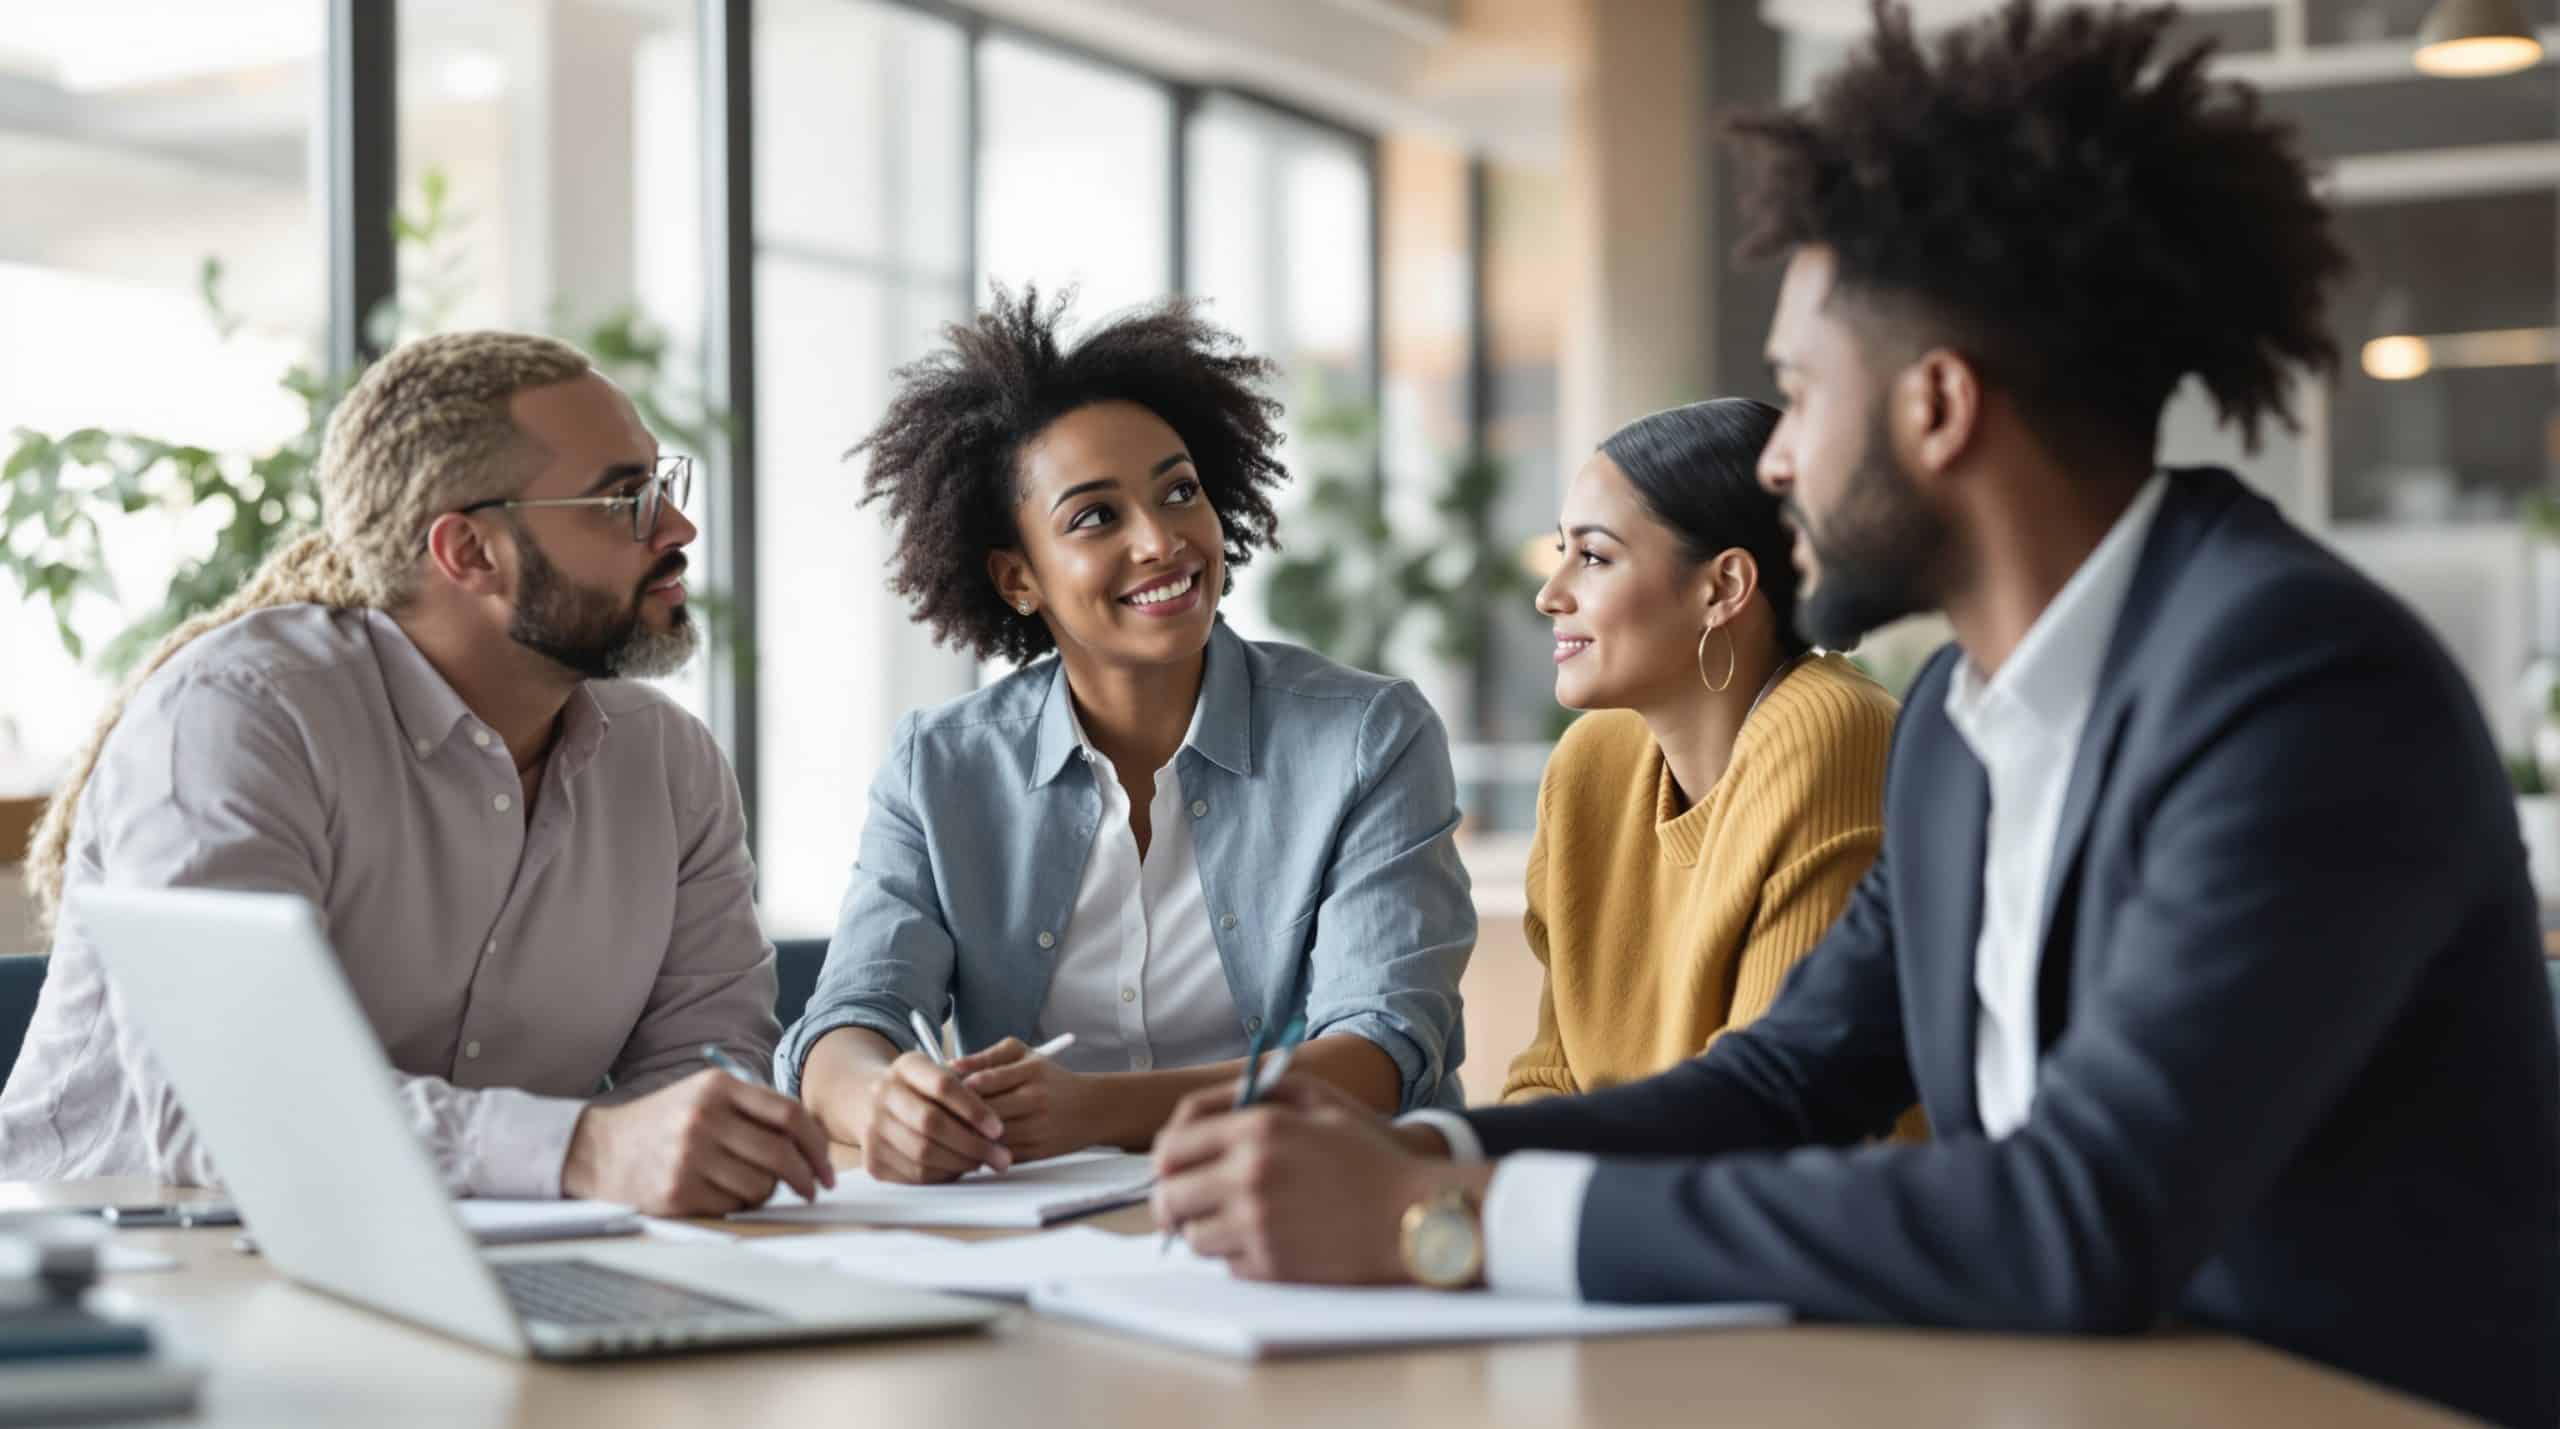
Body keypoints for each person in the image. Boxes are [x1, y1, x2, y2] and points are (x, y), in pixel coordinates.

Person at [1145, 5, 2560, 1425]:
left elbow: (2079, 1214)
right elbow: (1777, 1082)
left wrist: (1438, 1223)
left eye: (1803, 391)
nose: (1774, 453)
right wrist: (1414, 1144)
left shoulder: (2297, 691)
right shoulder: (1958, 713)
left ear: (1938, 407)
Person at [1, 331, 833, 1217]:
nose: (677, 528)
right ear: (469, 552)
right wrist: (584, 1149)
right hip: (121, 1277)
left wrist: (700, 1137)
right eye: (621, 498)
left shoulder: (670, 762)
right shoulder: (236, 717)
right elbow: (233, 1108)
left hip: (492, 1262)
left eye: (661, 484)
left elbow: (708, 1056)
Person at [780, 288, 1473, 1185]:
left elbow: (1381, 1052)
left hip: (1320, 1208)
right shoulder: (940, 767)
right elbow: (849, 1019)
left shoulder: (1366, 738)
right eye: (1096, 516)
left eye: (1179, 491)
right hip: (1041, 1232)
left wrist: (1091, 1109)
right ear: (1018, 577)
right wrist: (885, 1102)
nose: (1163, 540)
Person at [1505, 398, 1900, 1104]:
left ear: (1723, 587)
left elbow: (1763, 1118)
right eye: (1561, 550)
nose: (1549, 594)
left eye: (1592, 556)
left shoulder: (1835, 730)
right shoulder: (1589, 765)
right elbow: (1548, 1079)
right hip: (1630, 1199)